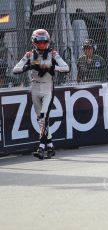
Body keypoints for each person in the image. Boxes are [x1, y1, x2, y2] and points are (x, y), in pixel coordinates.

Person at [13, 29, 69, 159]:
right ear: (34, 42)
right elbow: (15, 70)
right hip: (35, 88)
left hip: (48, 88)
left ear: (48, 41)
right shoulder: (29, 55)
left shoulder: (53, 54)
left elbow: (66, 68)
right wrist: (29, 67)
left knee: (43, 117)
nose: (42, 44)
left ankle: (41, 147)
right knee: (41, 120)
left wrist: (51, 68)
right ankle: (50, 146)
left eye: (44, 41)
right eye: (39, 41)